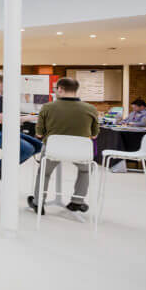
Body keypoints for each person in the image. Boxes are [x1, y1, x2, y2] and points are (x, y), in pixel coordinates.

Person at [29, 77, 99, 214]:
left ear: (60, 89)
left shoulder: (47, 107)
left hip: (52, 151)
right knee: (86, 170)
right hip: (80, 152)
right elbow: (94, 135)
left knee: (44, 172)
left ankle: (38, 203)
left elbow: (39, 133)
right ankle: (77, 202)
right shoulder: (91, 108)